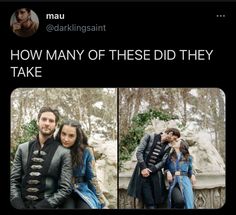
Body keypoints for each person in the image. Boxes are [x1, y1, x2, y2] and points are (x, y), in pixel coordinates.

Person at [10, 107, 73, 209]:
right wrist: (18, 204)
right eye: (44, 119)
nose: (47, 123)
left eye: (51, 121)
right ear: (38, 122)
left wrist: (42, 206)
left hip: (47, 206)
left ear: (56, 125)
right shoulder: (22, 148)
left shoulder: (64, 153)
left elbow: (65, 189)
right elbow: (13, 181)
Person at [56, 119, 109, 209]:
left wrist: (102, 201)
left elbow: (92, 178)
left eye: (71, 136)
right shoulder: (54, 149)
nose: (66, 139)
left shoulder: (86, 151)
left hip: (82, 190)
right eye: (63, 134)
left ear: (78, 136)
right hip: (62, 191)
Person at [127, 128, 181, 209]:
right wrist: (144, 168)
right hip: (142, 173)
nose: (174, 141)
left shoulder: (168, 147)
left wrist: (151, 170)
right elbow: (139, 152)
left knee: (156, 202)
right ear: (170, 133)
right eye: (174, 138)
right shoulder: (149, 137)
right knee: (147, 202)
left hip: (155, 174)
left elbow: (163, 162)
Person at [165, 139, 196, 209]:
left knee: (189, 202)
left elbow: (190, 169)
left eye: (177, 141)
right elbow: (165, 168)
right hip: (174, 183)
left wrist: (193, 175)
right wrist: (168, 172)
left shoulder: (188, 157)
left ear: (181, 145)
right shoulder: (169, 157)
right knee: (179, 201)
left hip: (185, 181)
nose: (174, 141)